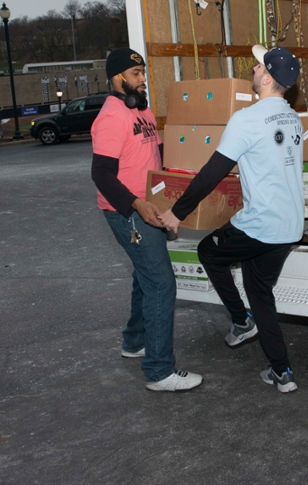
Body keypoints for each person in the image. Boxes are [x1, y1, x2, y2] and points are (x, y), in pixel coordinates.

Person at [160, 45, 305, 394]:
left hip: (261, 224)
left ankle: (241, 321)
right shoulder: (291, 117)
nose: (253, 69)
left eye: (258, 65)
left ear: (267, 77)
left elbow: (212, 173)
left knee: (209, 252)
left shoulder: (248, 118)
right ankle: (281, 372)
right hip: (290, 226)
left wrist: (175, 212)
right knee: (260, 291)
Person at [90, 47, 203, 393]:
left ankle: (134, 341)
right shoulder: (111, 118)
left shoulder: (143, 111)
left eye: (143, 74)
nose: (143, 81)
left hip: (147, 206)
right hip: (128, 212)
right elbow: (102, 174)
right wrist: (137, 205)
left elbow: (153, 155)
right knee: (160, 283)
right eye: (136, 75)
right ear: (117, 78)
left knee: (145, 276)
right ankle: (158, 370)